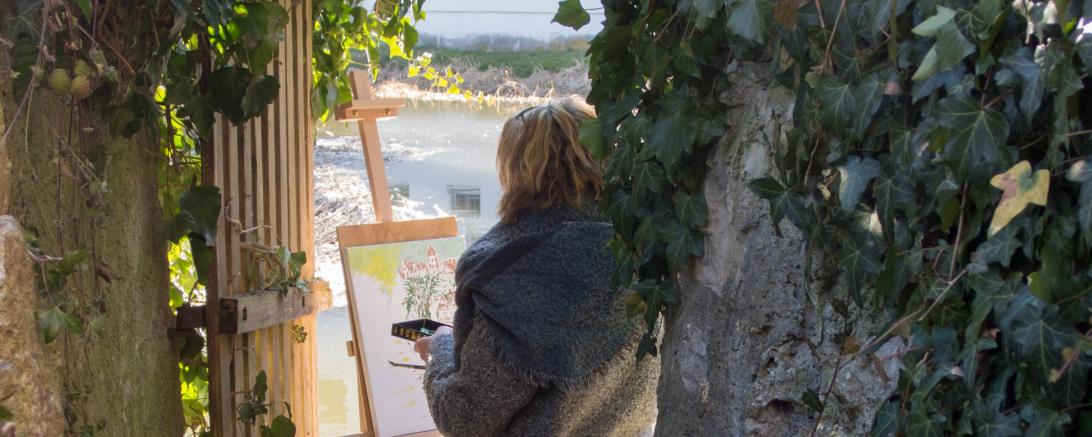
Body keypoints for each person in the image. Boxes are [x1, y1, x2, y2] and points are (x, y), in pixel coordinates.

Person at [413, 96, 659, 437]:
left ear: (515, 169)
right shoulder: (647, 244)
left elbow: (464, 419)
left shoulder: (506, 273)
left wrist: (439, 347)